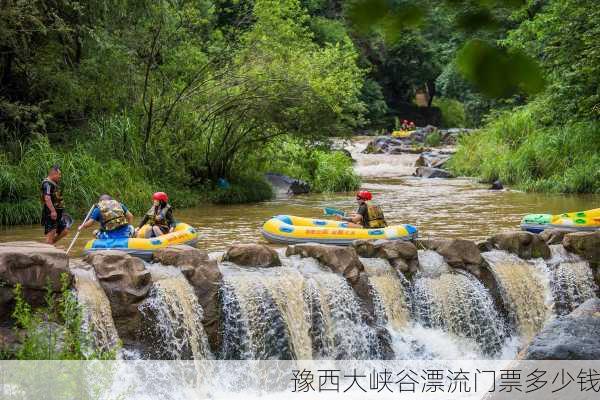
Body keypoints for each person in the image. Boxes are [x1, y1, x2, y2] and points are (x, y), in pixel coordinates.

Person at [41, 165, 69, 244]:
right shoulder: (47, 184)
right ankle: (48, 248)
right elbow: (47, 198)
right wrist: (53, 211)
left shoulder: (53, 183)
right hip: (51, 214)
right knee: (50, 235)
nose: (60, 176)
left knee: (65, 231)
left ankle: (51, 245)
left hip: (58, 213)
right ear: (53, 173)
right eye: (59, 174)